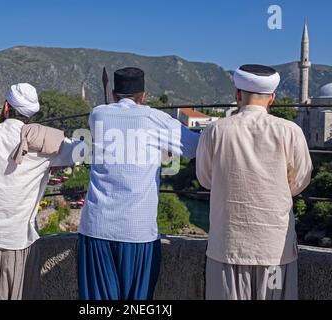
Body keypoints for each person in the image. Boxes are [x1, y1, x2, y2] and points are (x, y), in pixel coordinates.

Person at [78, 67, 200, 300]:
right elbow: (195, 147)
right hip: (138, 231)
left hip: (97, 227)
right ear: (142, 96)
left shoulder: (97, 115)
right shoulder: (154, 118)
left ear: (114, 94)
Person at [196, 64, 313, 300]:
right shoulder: (290, 131)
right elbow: (300, 180)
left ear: (238, 95)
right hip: (274, 250)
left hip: (227, 246)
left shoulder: (215, 130)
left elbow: (206, 179)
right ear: (272, 98)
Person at [0, 83, 79, 300]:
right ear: (33, 114)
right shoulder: (45, 143)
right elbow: (80, 152)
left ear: (6, 107)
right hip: (19, 241)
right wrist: (47, 135)